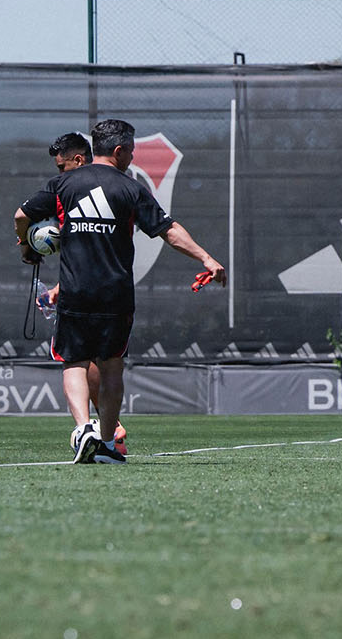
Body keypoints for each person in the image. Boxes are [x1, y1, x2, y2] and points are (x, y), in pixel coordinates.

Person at [18, 118, 226, 463]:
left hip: (73, 291)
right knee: (112, 367)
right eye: (131, 150)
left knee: (73, 362)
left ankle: (84, 427)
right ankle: (108, 444)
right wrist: (206, 257)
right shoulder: (130, 189)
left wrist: (28, 248)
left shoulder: (63, 184)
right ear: (119, 151)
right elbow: (168, 229)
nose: (131, 156)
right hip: (115, 294)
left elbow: (20, 216)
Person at [32, 131, 131, 457]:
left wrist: (25, 242)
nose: (60, 173)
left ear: (79, 159)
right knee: (104, 362)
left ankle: (94, 428)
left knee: (82, 361)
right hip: (107, 291)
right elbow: (89, 250)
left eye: (63, 166)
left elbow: (21, 217)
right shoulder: (118, 185)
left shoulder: (72, 186)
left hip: (94, 290)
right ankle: (105, 434)